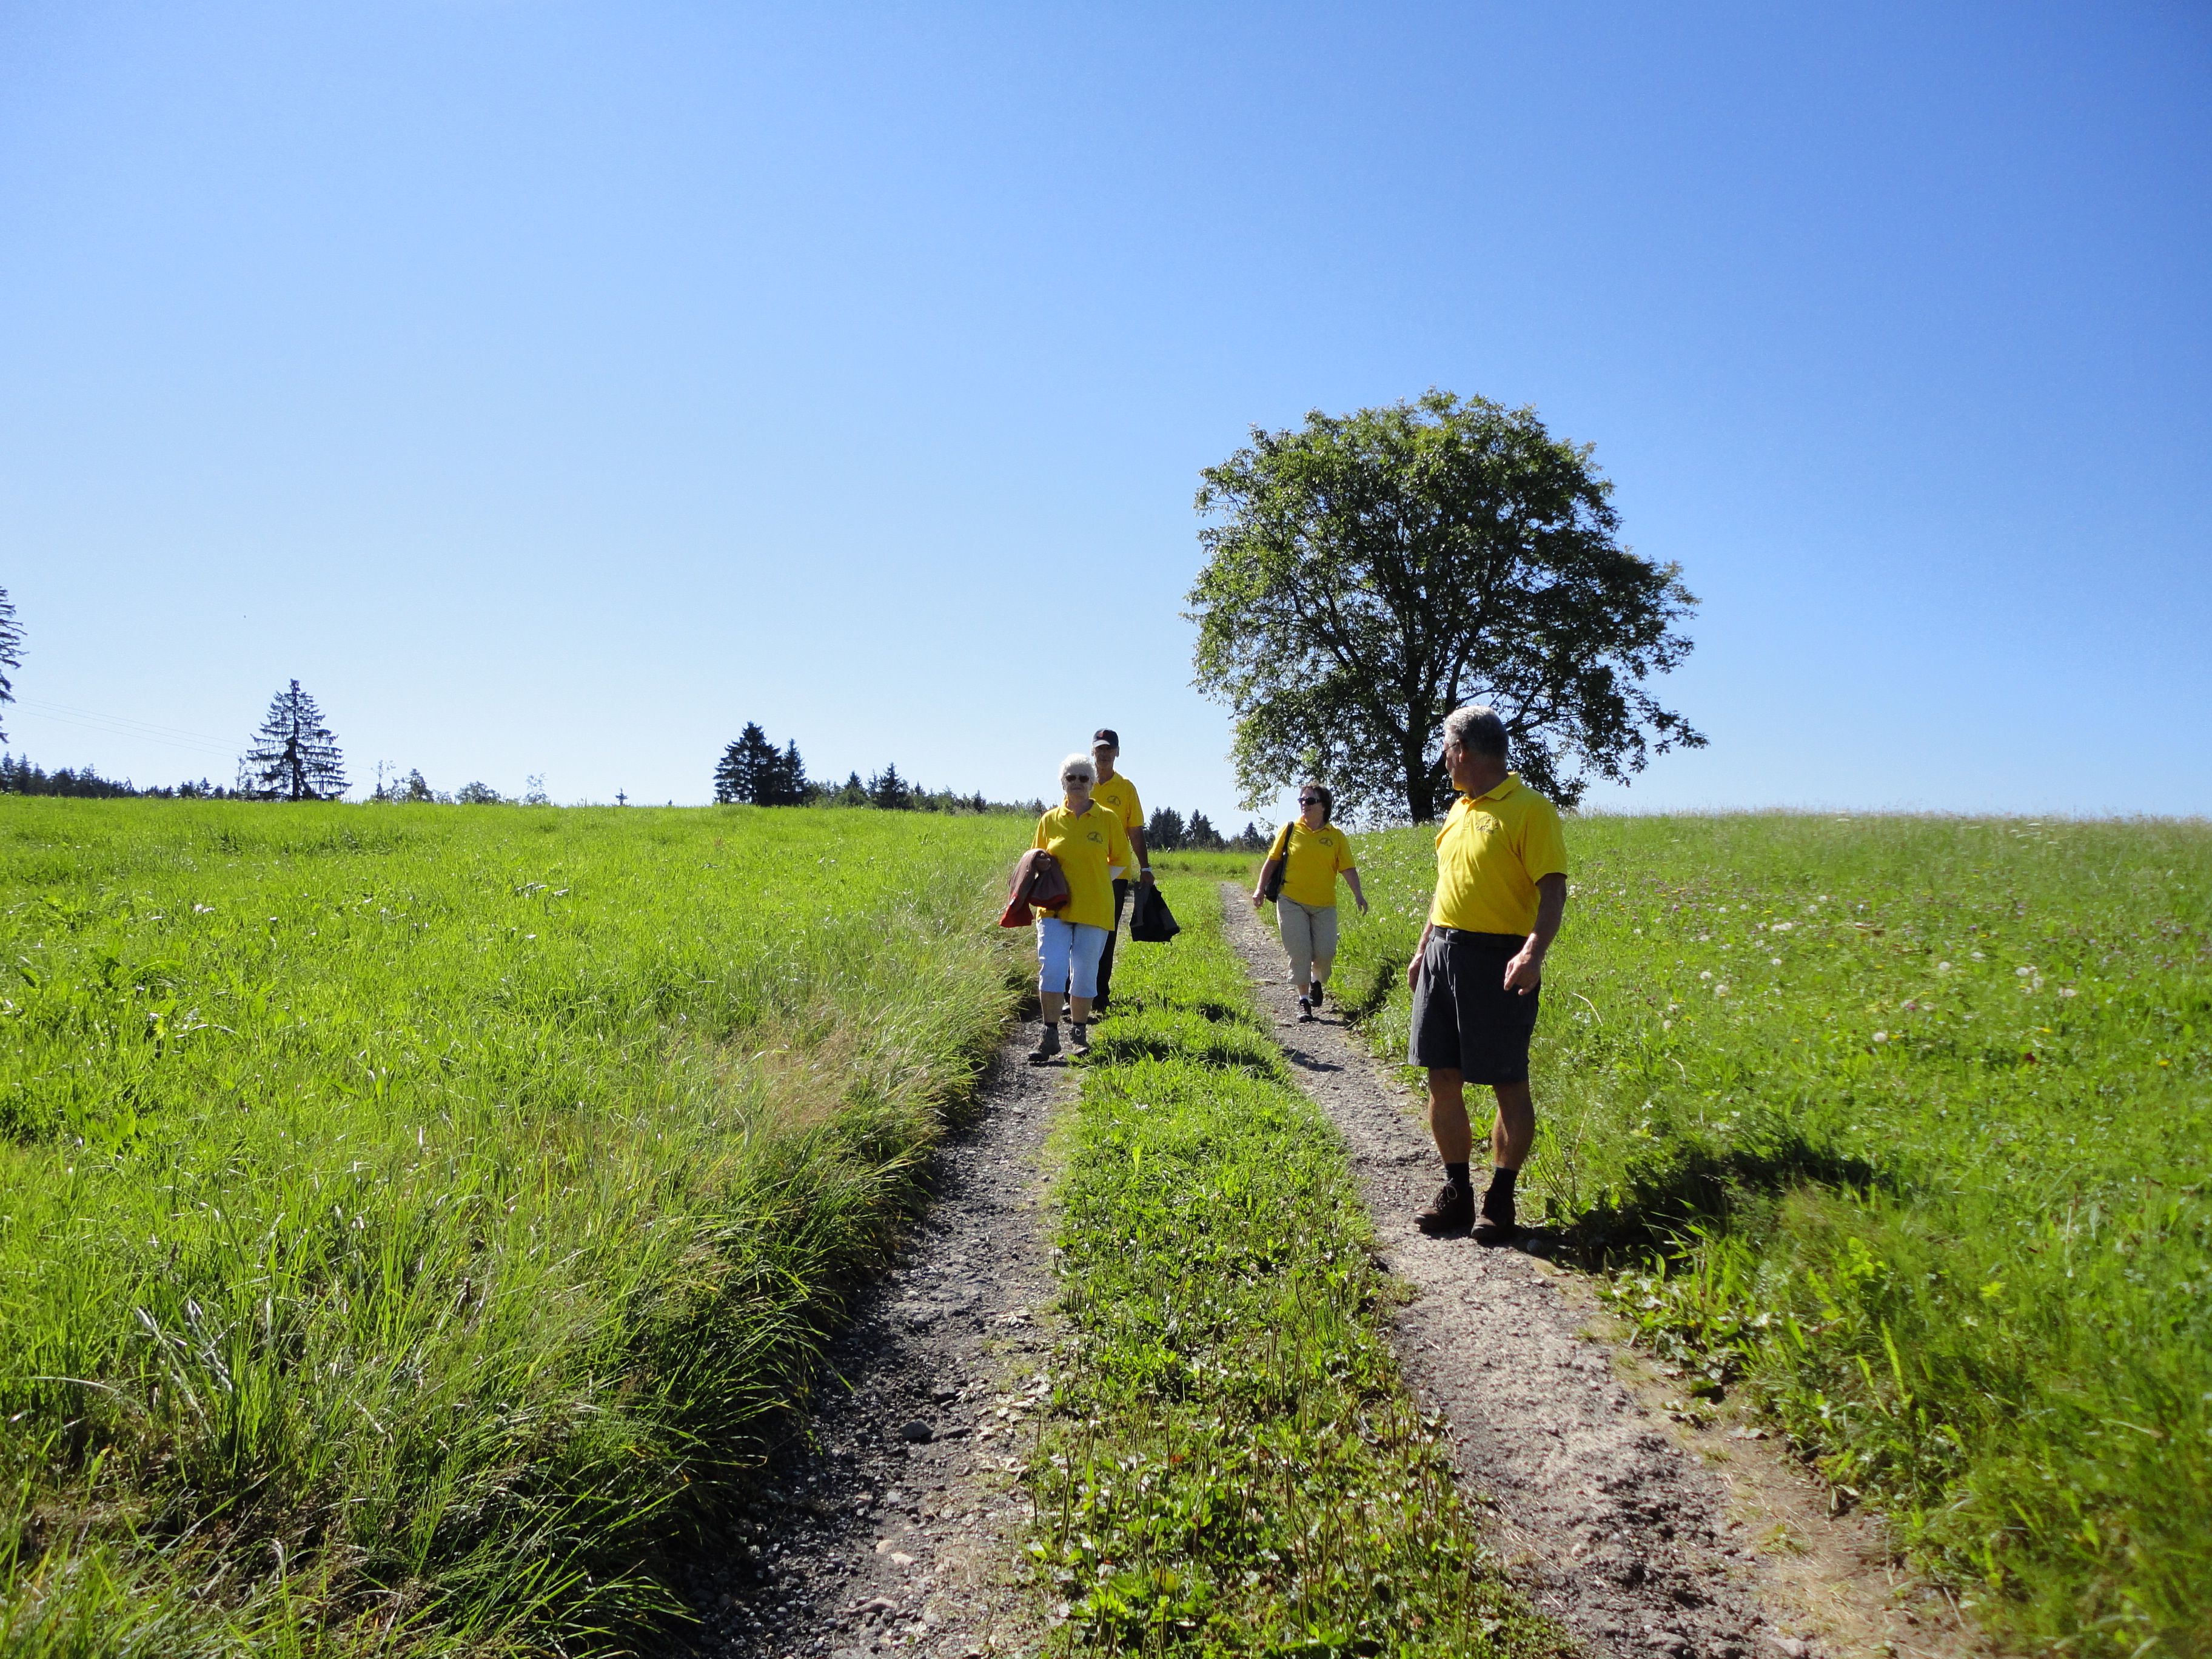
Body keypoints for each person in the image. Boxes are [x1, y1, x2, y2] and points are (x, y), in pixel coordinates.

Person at [1405, 706, 1567, 1244]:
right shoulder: (1457, 810)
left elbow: (1553, 891)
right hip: (1443, 954)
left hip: (1500, 960)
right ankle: (1457, 1191)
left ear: (1464, 750)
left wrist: (1533, 954)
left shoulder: (1531, 809)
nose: (1444, 761)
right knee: (1441, 1076)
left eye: (1446, 751)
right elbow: (1446, 889)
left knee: (1507, 1081)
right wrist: (1423, 949)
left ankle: (1501, 1196)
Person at [1028, 752, 1137, 1063]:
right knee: (1052, 968)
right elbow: (1035, 857)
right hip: (1054, 909)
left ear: (1092, 783)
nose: (1077, 783)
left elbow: (1121, 861)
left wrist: (1094, 882)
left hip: (1095, 908)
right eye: (1071, 777)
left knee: (1086, 972)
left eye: (1083, 778)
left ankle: (1079, 1034)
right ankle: (1049, 1036)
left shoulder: (1108, 819)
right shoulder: (1049, 820)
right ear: (1062, 783)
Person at [1250, 782, 1367, 1021]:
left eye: (1311, 800)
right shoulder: (1290, 830)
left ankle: (1316, 981)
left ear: (1324, 806)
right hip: (1291, 901)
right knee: (1300, 951)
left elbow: (1347, 868)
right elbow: (1272, 860)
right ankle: (1304, 1001)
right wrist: (1260, 888)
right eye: (1302, 800)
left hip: (1324, 905)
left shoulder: (1336, 836)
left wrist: (1358, 894)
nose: (1305, 804)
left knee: (1325, 953)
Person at [1079, 729, 1153, 1015]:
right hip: (1084, 870)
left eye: (1109, 749)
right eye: (1100, 749)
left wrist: (1145, 867)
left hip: (1115, 872)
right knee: (1079, 928)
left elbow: (1135, 830)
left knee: (1107, 931)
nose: (1104, 754)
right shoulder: (1082, 783)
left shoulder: (1126, 788)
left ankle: (1100, 995)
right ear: (1092, 751)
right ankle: (1074, 991)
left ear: (1118, 753)